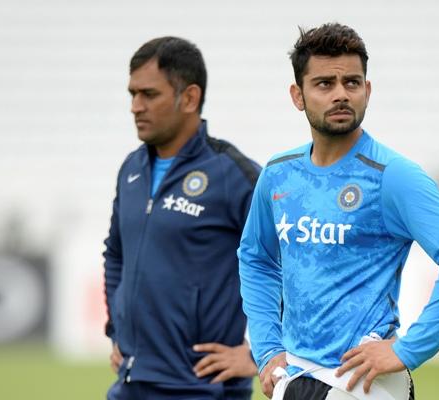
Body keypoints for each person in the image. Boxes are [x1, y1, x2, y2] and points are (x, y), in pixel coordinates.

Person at [238, 23, 439, 400]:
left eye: (352, 83)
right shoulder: (279, 174)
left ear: (367, 91)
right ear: (298, 95)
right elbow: (256, 258)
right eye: (324, 84)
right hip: (294, 377)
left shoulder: (392, 176)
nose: (341, 94)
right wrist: (267, 350)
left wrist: (408, 349)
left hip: (361, 384)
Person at [103, 36, 259, 400]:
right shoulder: (131, 170)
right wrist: (117, 331)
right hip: (130, 384)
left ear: (189, 98)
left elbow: (296, 261)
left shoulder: (234, 175)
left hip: (203, 389)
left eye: (149, 94)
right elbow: (115, 254)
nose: (135, 106)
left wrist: (258, 353)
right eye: (132, 94)